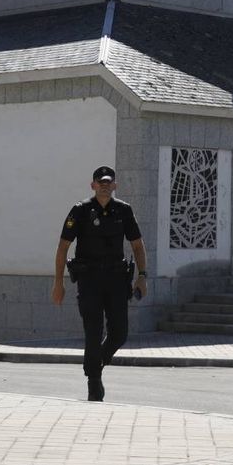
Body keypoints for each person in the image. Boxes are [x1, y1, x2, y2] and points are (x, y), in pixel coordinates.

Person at [51, 165, 148, 402]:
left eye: (108, 182)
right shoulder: (80, 210)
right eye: (100, 182)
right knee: (93, 331)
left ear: (115, 185)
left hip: (116, 280)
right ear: (93, 185)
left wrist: (142, 276)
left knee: (119, 334)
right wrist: (58, 282)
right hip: (90, 280)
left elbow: (137, 245)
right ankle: (94, 380)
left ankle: (96, 364)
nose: (104, 186)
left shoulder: (123, 210)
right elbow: (63, 247)